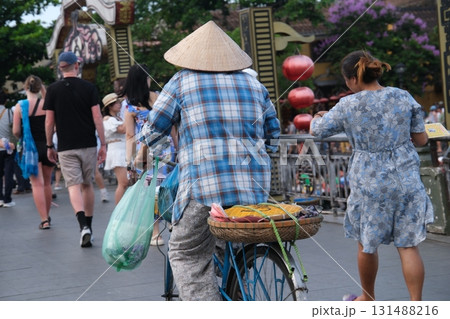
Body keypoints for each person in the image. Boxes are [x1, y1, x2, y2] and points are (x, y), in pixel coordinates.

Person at [139, 21, 280, 300]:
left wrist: (172, 156)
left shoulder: (181, 81)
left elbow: (155, 129)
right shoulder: (254, 82)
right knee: (233, 240)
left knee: (186, 251)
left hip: (204, 185)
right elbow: (273, 137)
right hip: (253, 187)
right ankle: (237, 286)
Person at [310, 50, 433, 301]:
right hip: (406, 180)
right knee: (408, 246)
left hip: (370, 183)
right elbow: (421, 139)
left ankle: (368, 298)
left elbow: (317, 131)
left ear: (353, 79)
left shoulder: (348, 105)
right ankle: (417, 306)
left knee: (367, 243)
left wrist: (318, 115)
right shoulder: (402, 96)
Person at [43, 51, 106, 247]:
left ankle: (82, 227)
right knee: (87, 185)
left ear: (60, 68)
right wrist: (103, 143)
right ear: (76, 66)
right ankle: (90, 226)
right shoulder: (89, 88)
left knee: (73, 186)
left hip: (66, 146)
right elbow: (97, 117)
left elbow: (49, 122)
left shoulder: (52, 90)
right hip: (87, 143)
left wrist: (49, 145)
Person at [120, 64, 178, 246]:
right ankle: (172, 221)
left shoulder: (129, 106)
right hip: (166, 147)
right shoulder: (159, 98)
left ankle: (155, 233)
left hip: (145, 151)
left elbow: (130, 136)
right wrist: (178, 147)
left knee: (150, 190)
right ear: (145, 79)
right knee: (169, 184)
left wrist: (130, 161)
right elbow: (173, 126)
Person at [13, 75, 55, 229]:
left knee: (37, 185)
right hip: (48, 145)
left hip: (31, 148)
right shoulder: (46, 104)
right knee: (47, 184)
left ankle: (44, 220)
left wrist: (23, 136)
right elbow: (53, 126)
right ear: (40, 88)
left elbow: (16, 131)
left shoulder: (20, 106)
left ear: (25, 88)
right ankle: (48, 215)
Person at [102, 92, 128, 204]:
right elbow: (122, 129)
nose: (119, 104)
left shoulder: (118, 117)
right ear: (110, 106)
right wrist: (129, 115)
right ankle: (118, 210)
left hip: (124, 149)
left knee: (127, 182)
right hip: (116, 150)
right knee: (123, 182)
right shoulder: (108, 119)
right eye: (116, 103)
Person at [0, 90, 16, 207]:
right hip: (8, 147)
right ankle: (7, 199)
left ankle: (0, 198)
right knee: (9, 173)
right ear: (5, 101)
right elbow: (15, 131)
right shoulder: (10, 112)